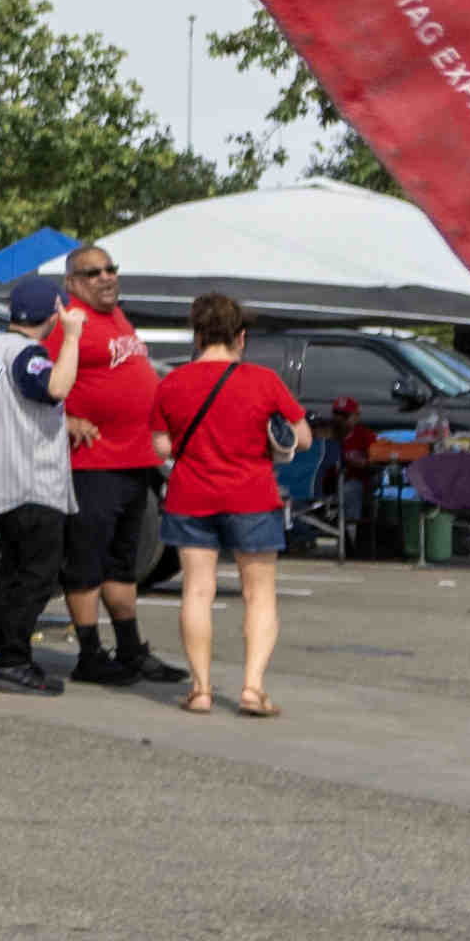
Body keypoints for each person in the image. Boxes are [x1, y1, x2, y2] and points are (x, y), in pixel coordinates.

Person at [142, 292, 306, 717]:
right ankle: (252, 688)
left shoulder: (171, 383)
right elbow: (302, 437)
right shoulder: (263, 380)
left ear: (196, 336)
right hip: (252, 496)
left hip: (190, 495)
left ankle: (200, 689)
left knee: (197, 589)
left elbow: (161, 446)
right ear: (241, 337)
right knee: (259, 593)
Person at [48, 245, 170, 692]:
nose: (105, 277)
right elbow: (40, 386)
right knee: (86, 564)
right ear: (72, 283)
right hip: (93, 464)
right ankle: (90, 654)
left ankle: (130, 650)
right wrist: (66, 419)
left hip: (134, 460)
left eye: (111, 268)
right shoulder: (68, 324)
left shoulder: (117, 317)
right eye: (92, 272)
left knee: (122, 566)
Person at [0, 287, 82, 694]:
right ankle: (13, 660)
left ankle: (11, 657)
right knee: (36, 575)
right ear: (51, 314)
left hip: (3, 478)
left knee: (16, 573)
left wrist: (69, 425)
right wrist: (71, 338)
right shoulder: (26, 354)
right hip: (30, 482)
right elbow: (55, 387)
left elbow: (21, 406)